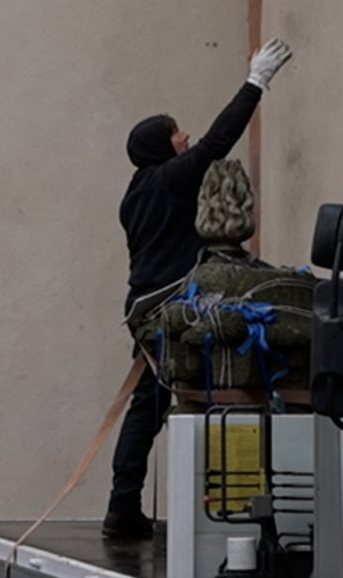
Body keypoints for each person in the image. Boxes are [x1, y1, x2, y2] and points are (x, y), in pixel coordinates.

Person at [104, 38, 293, 540]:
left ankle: (123, 506)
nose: (184, 137)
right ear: (160, 147)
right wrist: (256, 83)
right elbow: (216, 143)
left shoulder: (135, 194)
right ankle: (219, 513)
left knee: (147, 407)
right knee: (214, 395)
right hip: (174, 311)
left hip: (148, 310)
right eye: (174, 134)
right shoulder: (167, 180)